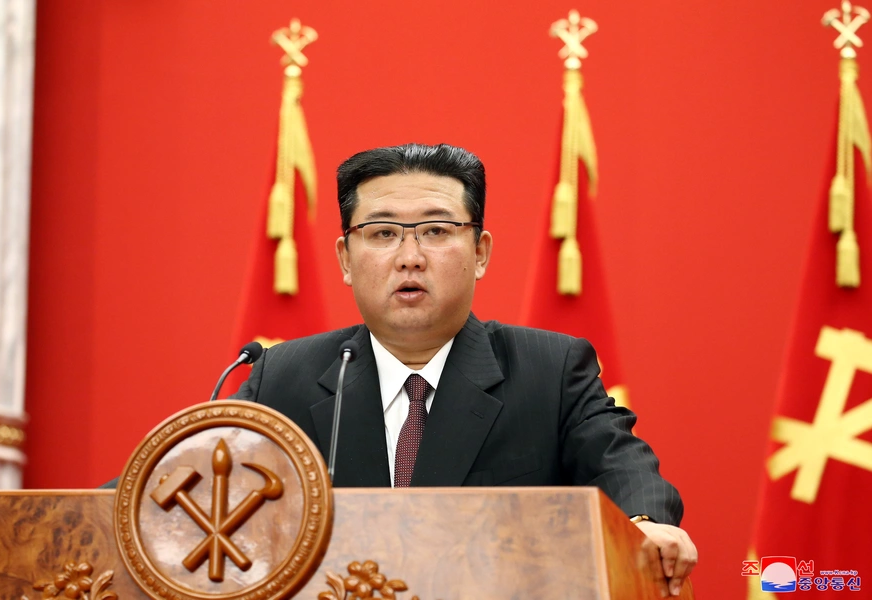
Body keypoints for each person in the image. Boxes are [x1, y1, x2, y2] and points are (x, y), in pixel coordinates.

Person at [233, 142, 697, 596]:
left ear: (480, 253)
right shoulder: (282, 377)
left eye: (435, 231)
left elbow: (621, 466)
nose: (409, 256)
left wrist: (643, 526)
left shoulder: (550, 371)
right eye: (382, 233)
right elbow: (215, 496)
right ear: (345, 259)